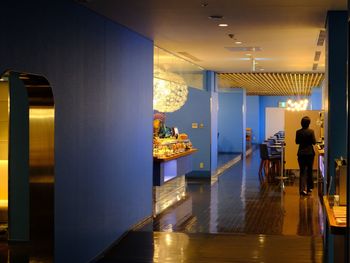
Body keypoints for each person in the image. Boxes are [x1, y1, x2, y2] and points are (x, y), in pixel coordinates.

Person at [295, 116, 316, 196]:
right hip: (310, 153)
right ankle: (309, 188)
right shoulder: (311, 131)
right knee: (310, 170)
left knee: (302, 171)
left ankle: (302, 189)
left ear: (301, 123)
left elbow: (297, 142)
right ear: (309, 123)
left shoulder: (298, 132)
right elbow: (314, 142)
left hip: (301, 153)